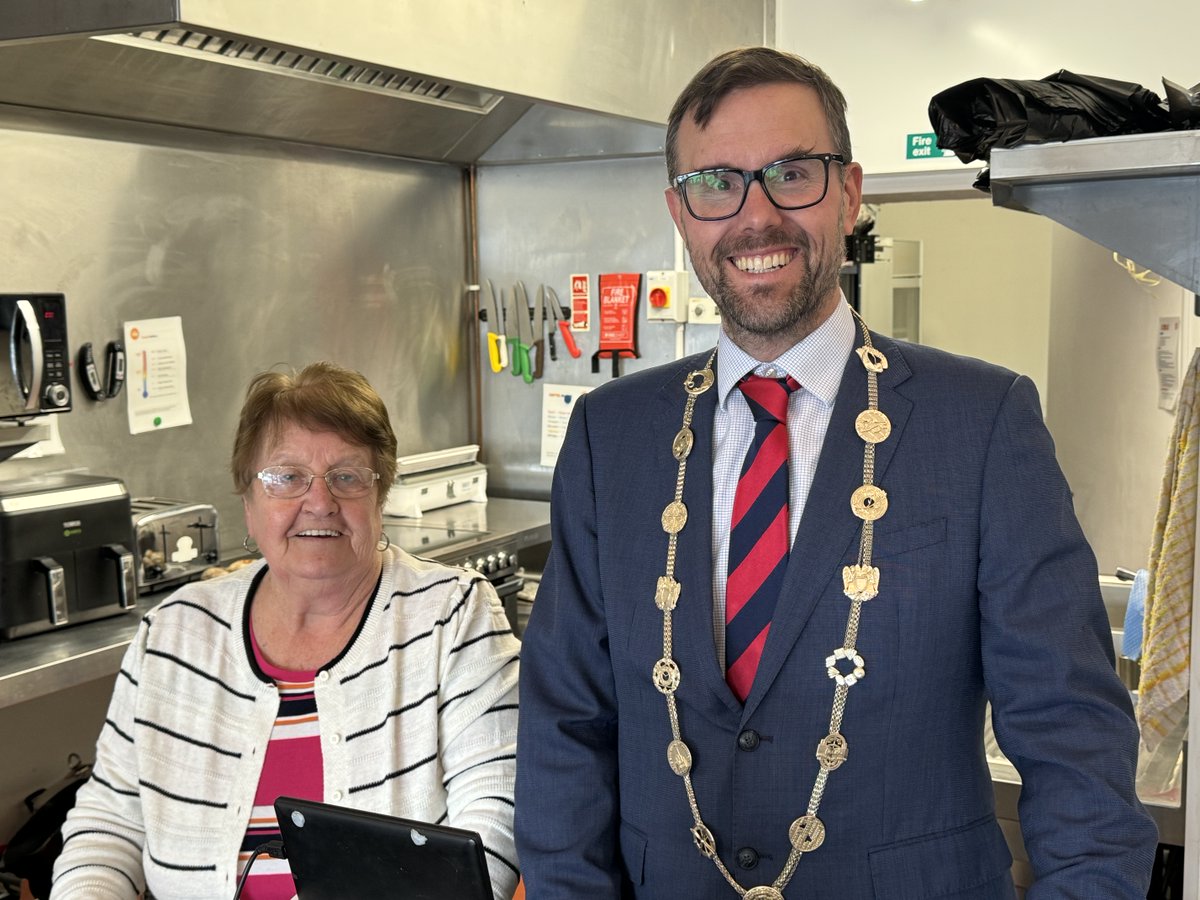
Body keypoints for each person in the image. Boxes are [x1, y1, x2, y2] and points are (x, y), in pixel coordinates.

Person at [515, 47, 1157, 898]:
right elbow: (565, 725)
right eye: (718, 183)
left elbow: (1073, 739)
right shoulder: (613, 436)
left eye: (793, 173)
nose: (756, 216)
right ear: (681, 212)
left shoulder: (982, 421)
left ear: (850, 193)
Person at [52, 362, 521, 899]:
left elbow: (495, 813)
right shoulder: (173, 635)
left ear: (380, 496)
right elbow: (108, 823)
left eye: (346, 476)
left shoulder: (451, 615)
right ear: (248, 503)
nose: (318, 502)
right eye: (286, 477)